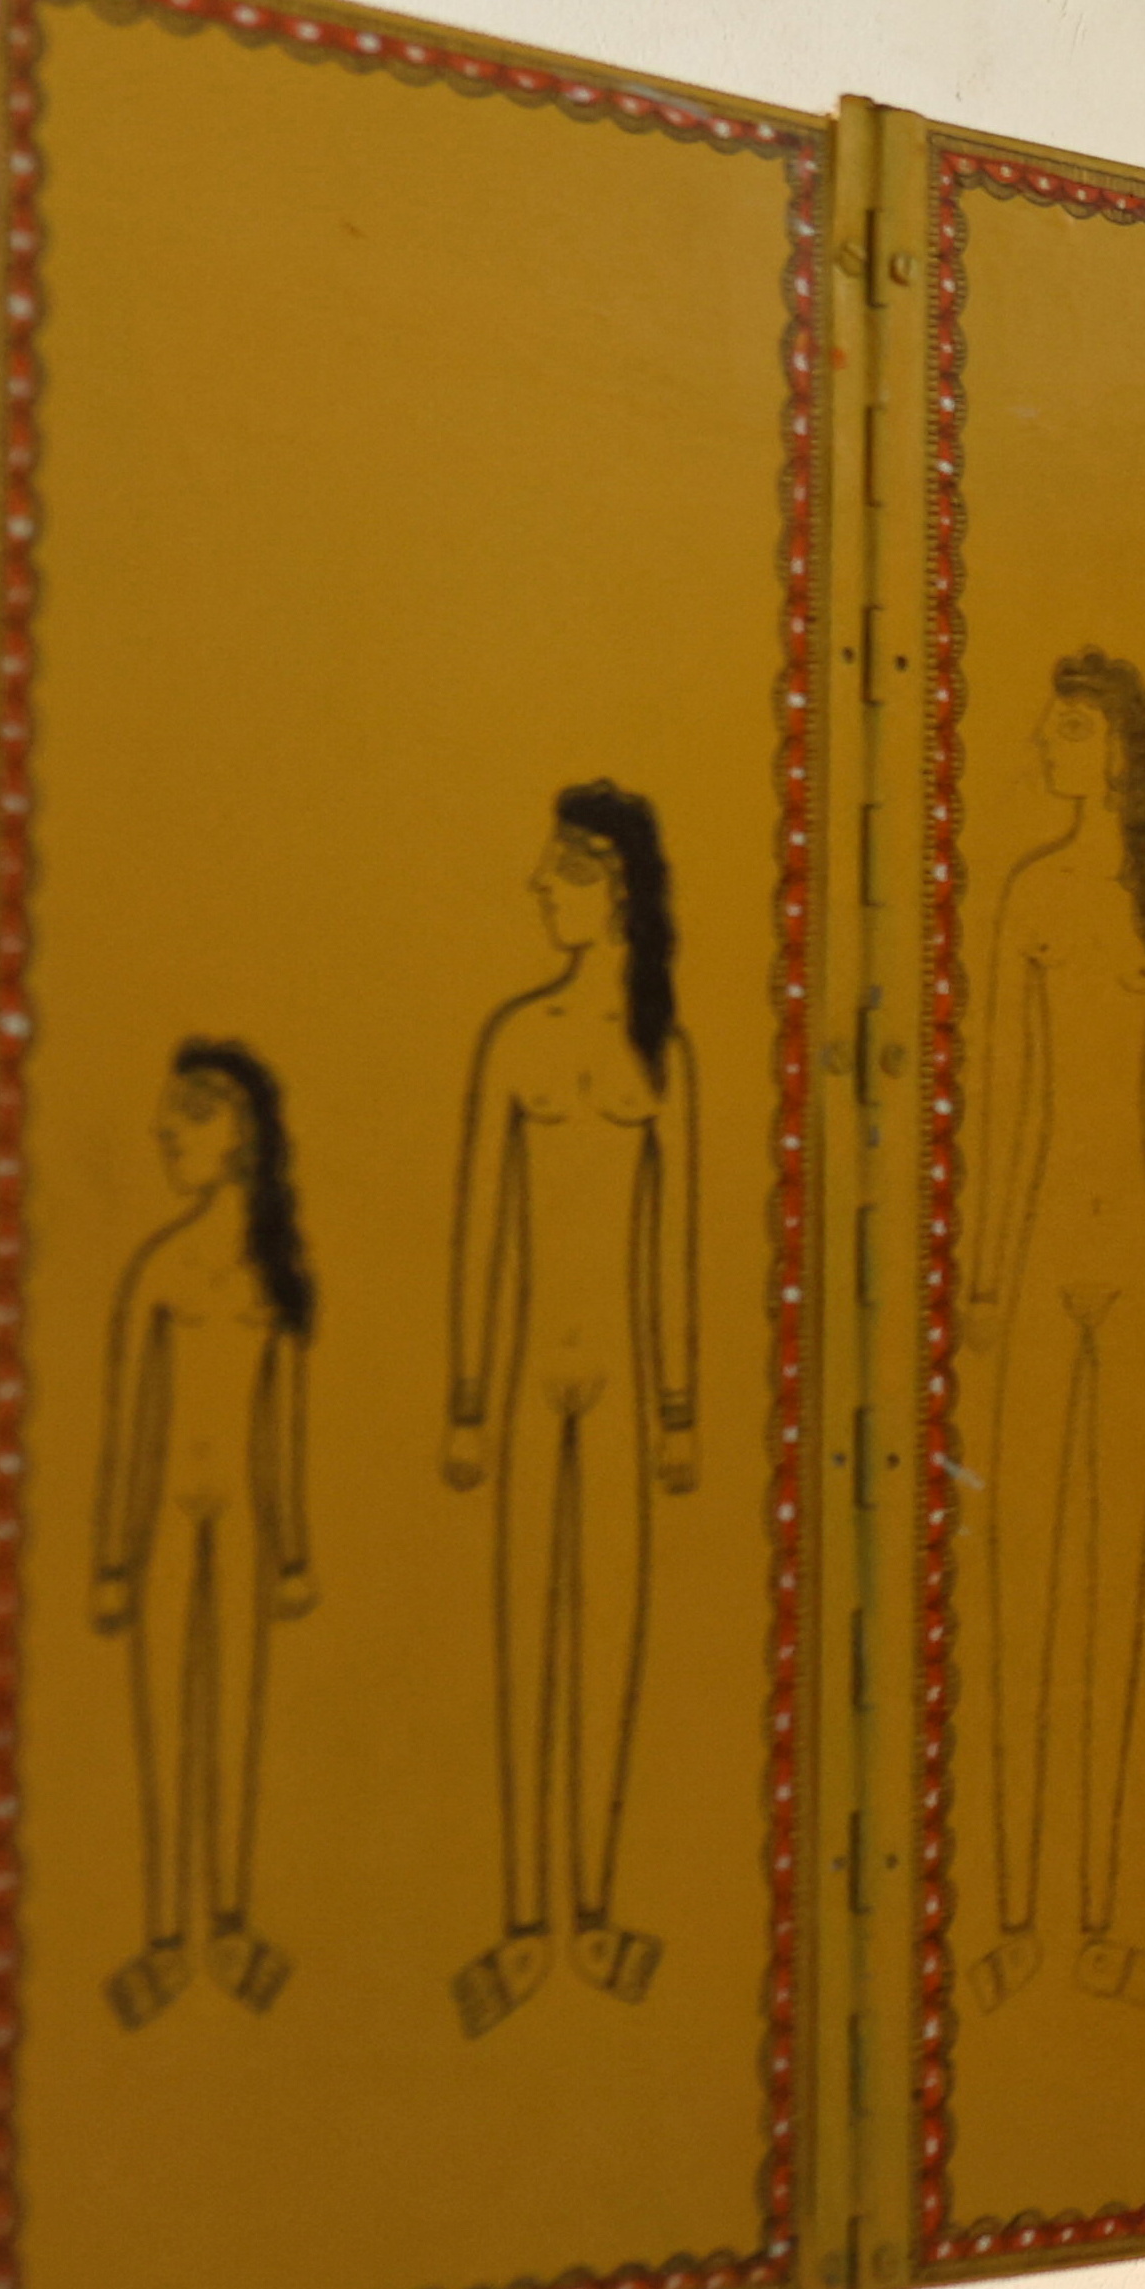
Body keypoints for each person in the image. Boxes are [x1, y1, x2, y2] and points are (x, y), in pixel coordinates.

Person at [967, 654, 1145, 2009]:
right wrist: (991, 1274)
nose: (1049, 745)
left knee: (1114, 1584)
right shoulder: (1028, 900)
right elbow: (1009, 1105)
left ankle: (1101, 1906)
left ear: (1115, 750)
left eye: (1069, 727)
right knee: (1024, 1585)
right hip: (1050, 1238)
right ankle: (1009, 1910)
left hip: (1133, 1261)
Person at [442, 780, 700, 2033]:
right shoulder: (516, 1040)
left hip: (621, 1389)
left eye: (561, 871)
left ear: (613, 888)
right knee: (522, 1639)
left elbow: (678, 1241)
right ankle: (522, 1915)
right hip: (534, 1366)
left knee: (610, 1641)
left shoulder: (662, 1055)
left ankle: (592, 1911)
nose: (539, 890)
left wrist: (680, 1403)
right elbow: (483, 1233)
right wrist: (469, 1401)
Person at [92, 1038, 315, 2026]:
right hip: (168, 1525)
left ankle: (228, 1918)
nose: (164, 1132)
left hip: (242, 1523)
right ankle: (164, 1934)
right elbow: (130, 1432)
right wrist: (112, 1557)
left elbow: (282, 1432)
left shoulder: (274, 1283)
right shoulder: (158, 1272)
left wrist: (295, 1549)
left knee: (235, 1716)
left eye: (190, 1113)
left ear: (237, 1135)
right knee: (163, 1722)